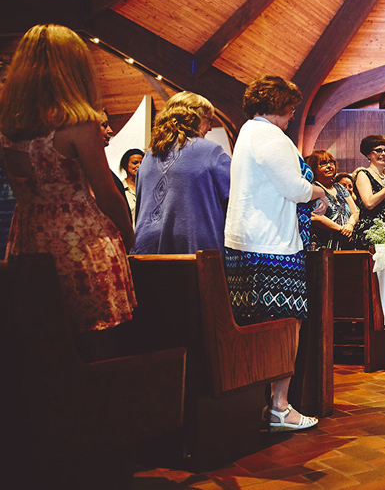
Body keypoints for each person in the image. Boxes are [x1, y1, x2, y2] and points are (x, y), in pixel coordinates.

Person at [0, 24, 135, 352]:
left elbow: (20, 188)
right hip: (82, 246)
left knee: (42, 348)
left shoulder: (8, 124)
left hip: (28, 240)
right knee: (97, 348)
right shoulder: (78, 123)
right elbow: (107, 195)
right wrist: (128, 238)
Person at [224, 75, 325, 432]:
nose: (293, 115)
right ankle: (280, 406)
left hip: (245, 242)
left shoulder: (247, 132)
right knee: (285, 324)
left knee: (255, 325)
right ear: (278, 105)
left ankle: (257, 404)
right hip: (272, 246)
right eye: (291, 108)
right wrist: (320, 192)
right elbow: (294, 188)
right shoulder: (270, 135)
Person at [133, 92, 231, 255]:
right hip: (195, 250)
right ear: (195, 118)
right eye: (210, 120)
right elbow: (235, 202)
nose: (210, 128)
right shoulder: (210, 151)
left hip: (147, 250)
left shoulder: (149, 156)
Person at [353, 135, 385, 289]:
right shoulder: (363, 174)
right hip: (371, 234)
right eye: (378, 150)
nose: (383, 154)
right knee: (373, 283)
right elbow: (369, 203)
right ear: (368, 154)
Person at [305, 151, 358, 250]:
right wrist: (341, 229)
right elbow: (314, 216)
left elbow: (355, 212)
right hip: (323, 246)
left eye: (331, 162)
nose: (329, 166)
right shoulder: (312, 188)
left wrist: (350, 225)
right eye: (323, 163)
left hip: (346, 242)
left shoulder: (340, 187)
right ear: (314, 168)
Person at [119, 148, 143, 223]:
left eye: (142, 163)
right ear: (125, 166)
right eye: (135, 163)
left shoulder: (148, 189)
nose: (139, 166)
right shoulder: (119, 189)